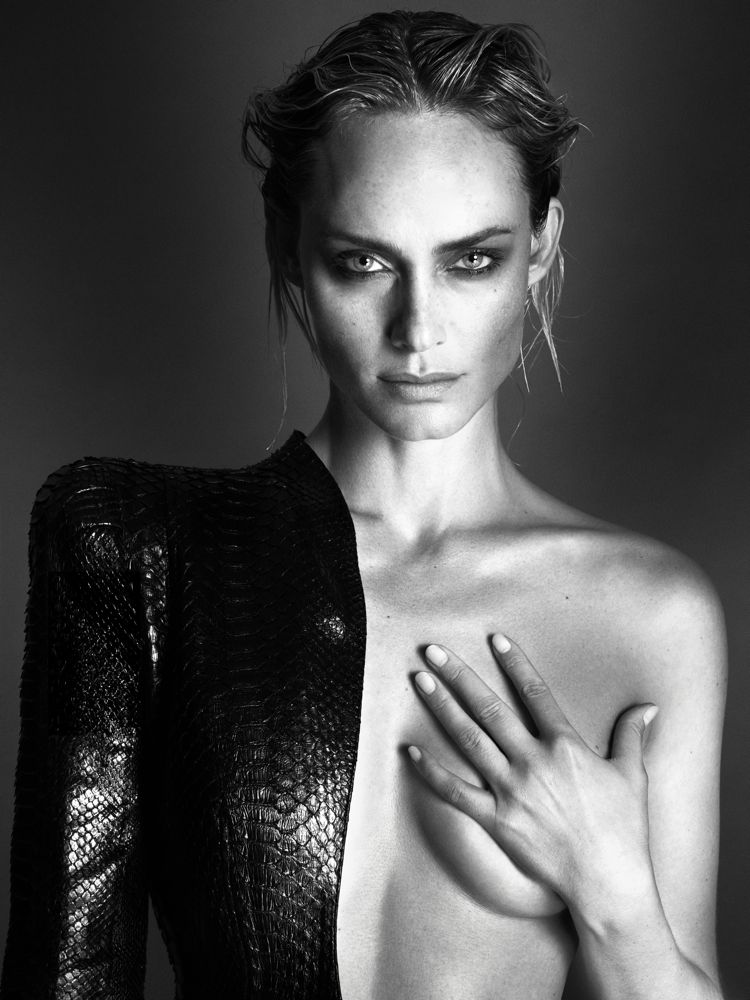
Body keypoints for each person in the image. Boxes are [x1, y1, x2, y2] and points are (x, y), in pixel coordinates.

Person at [1, 10, 727, 1000]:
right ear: (288, 246)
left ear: (542, 246)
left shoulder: (653, 616)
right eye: (365, 262)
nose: (418, 328)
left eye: (472, 259)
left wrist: (617, 901)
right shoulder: (138, 553)